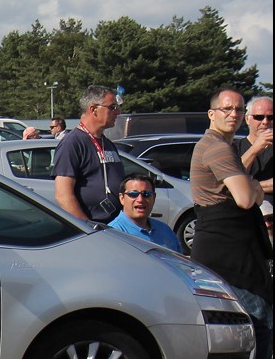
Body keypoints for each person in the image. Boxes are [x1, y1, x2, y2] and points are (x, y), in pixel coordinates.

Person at [191, 88, 272, 359]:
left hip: (235, 250)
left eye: (238, 109)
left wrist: (252, 185)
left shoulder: (224, 147)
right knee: (258, 327)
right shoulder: (218, 148)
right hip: (230, 254)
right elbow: (245, 197)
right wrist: (255, 188)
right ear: (212, 114)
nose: (233, 114)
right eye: (227, 109)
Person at [53, 85, 125, 222]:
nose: (118, 112)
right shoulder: (72, 143)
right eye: (112, 107)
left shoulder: (107, 143)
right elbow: (63, 195)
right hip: (94, 227)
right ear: (93, 109)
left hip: (115, 226)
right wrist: (87, 227)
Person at [106, 172, 180, 251]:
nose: (140, 200)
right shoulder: (113, 234)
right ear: (122, 198)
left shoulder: (165, 230)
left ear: (154, 197)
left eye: (146, 194)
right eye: (133, 194)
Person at [236, 95, 273, 200]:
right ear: (247, 119)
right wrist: (255, 148)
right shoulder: (234, 148)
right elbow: (235, 177)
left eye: (271, 117)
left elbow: (237, 185)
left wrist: (249, 186)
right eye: (258, 117)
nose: (265, 122)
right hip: (244, 211)